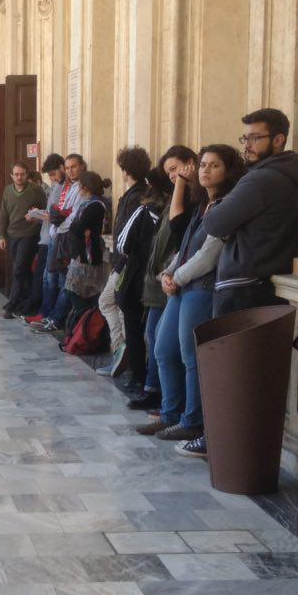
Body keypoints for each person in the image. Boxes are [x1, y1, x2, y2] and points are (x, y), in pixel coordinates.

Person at [142, 145, 245, 456]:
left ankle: (193, 420)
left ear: (228, 171)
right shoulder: (202, 205)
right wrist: (167, 273)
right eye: (203, 165)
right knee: (163, 348)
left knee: (191, 356)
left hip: (201, 288)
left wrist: (177, 277)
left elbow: (209, 254)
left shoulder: (227, 206)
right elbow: (185, 246)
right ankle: (170, 413)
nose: (205, 170)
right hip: (181, 284)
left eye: (214, 165)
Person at [202, 107, 298, 317]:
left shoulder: (260, 180)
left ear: (278, 139)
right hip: (266, 284)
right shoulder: (290, 173)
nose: (247, 145)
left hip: (242, 289)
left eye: (254, 138)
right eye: (245, 138)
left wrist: (214, 205)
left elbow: (213, 224)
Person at [132, 147, 199, 412]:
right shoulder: (177, 195)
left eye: (174, 169)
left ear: (190, 163)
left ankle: (174, 407)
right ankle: (165, 403)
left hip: (186, 281)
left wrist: (172, 274)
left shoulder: (194, 197)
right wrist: (167, 272)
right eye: (168, 172)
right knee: (158, 341)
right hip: (168, 275)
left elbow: (178, 227)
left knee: (174, 348)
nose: (172, 175)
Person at [109, 147, 165, 393]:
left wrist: (120, 264)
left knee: (135, 324)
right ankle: (140, 373)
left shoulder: (139, 202)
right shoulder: (148, 199)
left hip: (135, 270)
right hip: (147, 271)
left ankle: (138, 374)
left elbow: (125, 240)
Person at [29, 171, 109, 331]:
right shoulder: (88, 203)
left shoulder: (95, 205)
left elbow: (76, 227)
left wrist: (79, 228)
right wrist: (78, 227)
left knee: (75, 290)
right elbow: (76, 226)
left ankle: (86, 320)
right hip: (80, 253)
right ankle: (83, 321)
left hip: (88, 255)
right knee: (74, 290)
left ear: (85, 187)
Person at [97, 150, 149, 377]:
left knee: (109, 302)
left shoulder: (135, 197)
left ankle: (121, 351)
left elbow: (129, 235)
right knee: (116, 305)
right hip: (125, 261)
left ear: (126, 170)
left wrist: (121, 261)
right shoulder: (139, 194)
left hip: (127, 263)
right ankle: (122, 352)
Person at [0, 161, 47, 319]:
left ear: (27, 175)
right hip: (12, 235)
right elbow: (4, 214)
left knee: (19, 269)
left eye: (22, 174)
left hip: (29, 234)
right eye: (16, 174)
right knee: (24, 270)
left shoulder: (36, 190)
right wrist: (1, 235)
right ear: (12, 175)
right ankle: (30, 302)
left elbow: (45, 211)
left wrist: (36, 216)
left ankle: (12, 305)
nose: (19, 177)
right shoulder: (7, 190)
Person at [22, 153, 66, 316]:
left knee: (51, 279)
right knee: (46, 277)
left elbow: (61, 215)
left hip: (55, 238)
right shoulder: (56, 186)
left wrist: (42, 215)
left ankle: (47, 314)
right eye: (50, 176)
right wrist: (37, 215)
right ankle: (44, 312)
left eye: (53, 174)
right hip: (47, 236)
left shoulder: (65, 187)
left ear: (61, 168)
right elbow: (50, 212)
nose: (52, 178)